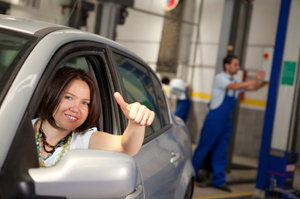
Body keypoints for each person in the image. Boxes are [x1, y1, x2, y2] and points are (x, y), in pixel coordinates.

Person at [33, 67, 155, 168]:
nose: (76, 109)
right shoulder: (19, 127)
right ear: (51, 94)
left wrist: (136, 123)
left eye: (85, 103)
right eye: (69, 97)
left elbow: (126, 147)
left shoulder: (84, 139)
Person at [192, 55, 267, 192]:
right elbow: (234, 86)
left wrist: (266, 82)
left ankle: (219, 181)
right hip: (214, 120)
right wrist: (254, 79)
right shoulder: (220, 78)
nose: (238, 67)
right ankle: (191, 177)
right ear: (227, 65)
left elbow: (252, 88)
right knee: (203, 148)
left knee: (221, 152)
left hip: (225, 122)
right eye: (235, 65)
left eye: (238, 65)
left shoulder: (235, 80)